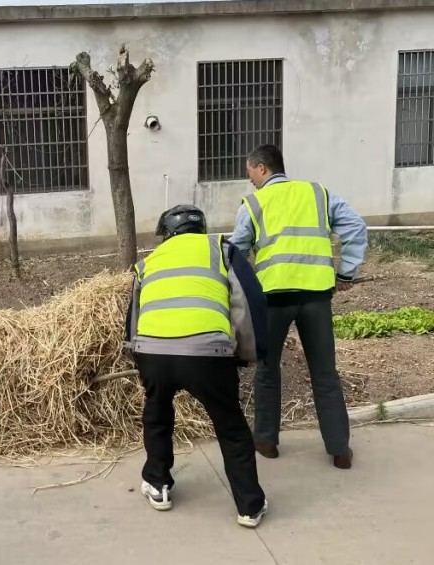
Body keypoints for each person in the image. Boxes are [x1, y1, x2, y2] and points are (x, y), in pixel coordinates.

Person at [125, 204, 270, 528]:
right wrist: (247, 351)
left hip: (153, 352)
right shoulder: (222, 250)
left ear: (167, 234)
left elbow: (133, 316)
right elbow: (248, 301)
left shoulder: (148, 262)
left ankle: (158, 485)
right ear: (200, 228)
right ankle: (249, 506)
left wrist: (138, 356)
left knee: (157, 414)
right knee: (230, 425)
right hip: (207, 353)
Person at [230, 144, 368, 469]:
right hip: (316, 297)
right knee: (325, 373)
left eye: (250, 173)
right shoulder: (318, 194)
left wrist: (243, 289)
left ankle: (266, 441)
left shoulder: (254, 203)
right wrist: (346, 272)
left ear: (262, 168)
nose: (250, 180)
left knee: (267, 370)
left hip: (273, 300)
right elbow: (356, 227)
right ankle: (339, 450)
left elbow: (236, 252)